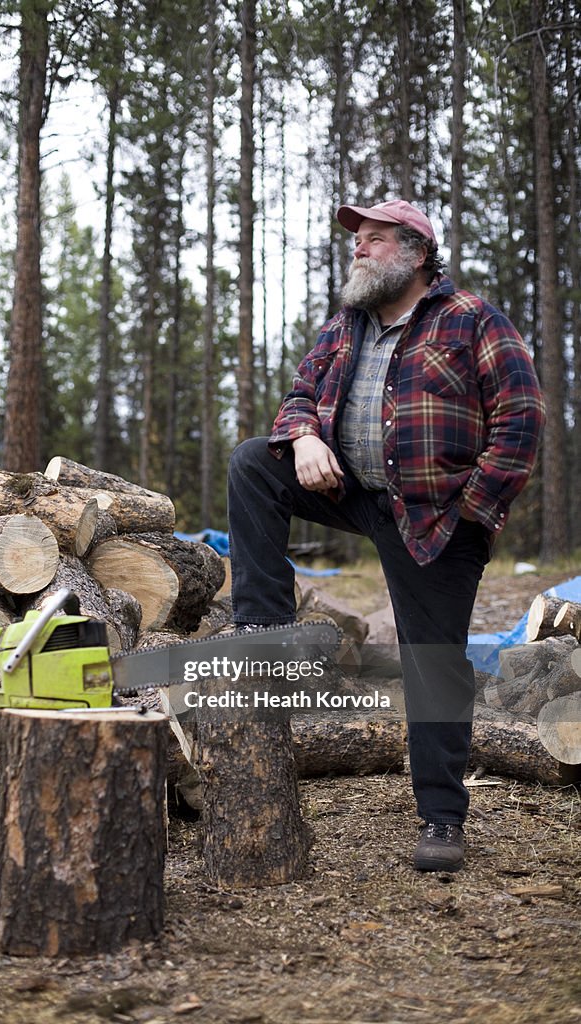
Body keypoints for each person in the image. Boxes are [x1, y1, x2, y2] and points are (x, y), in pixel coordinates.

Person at [227, 199, 545, 873]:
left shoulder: (471, 320)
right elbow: (298, 396)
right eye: (357, 240)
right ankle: (262, 627)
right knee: (256, 459)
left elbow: (520, 421)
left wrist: (470, 511)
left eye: (374, 239)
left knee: (432, 662)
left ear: (417, 252)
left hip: (435, 516)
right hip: (354, 493)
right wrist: (305, 434)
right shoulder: (345, 326)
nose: (358, 249)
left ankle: (440, 817)